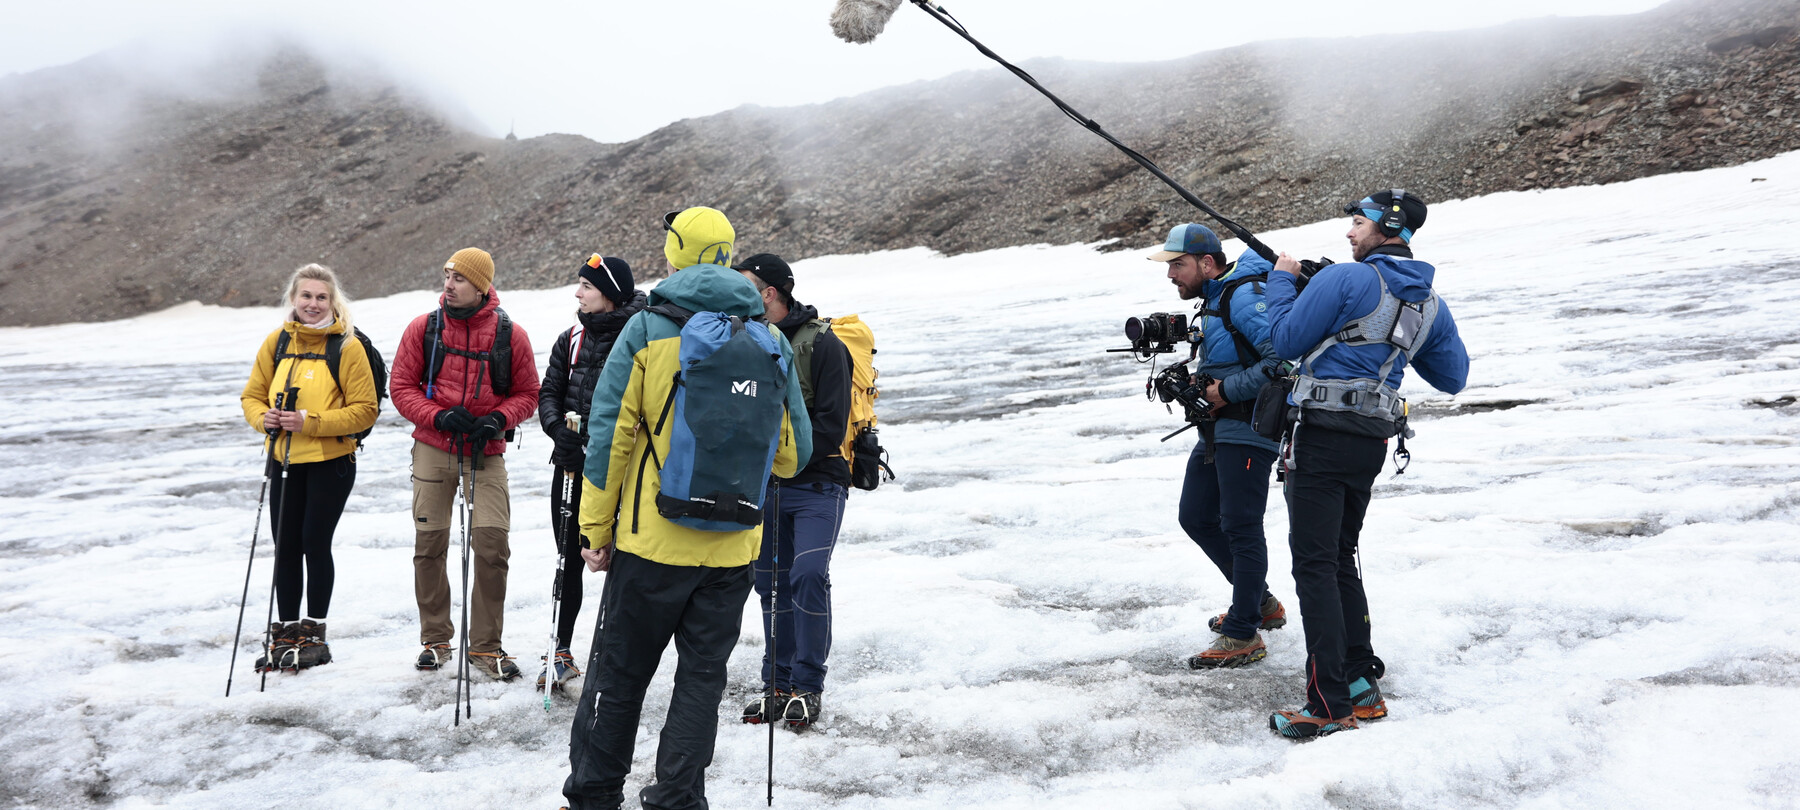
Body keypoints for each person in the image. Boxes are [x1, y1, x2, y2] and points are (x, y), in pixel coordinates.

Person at [561, 208, 811, 810]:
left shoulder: (647, 329)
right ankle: (676, 799)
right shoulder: (770, 339)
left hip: (651, 542)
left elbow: (609, 438)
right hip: (732, 547)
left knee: (619, 676)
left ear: (675, 254)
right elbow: (792, 456)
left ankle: (594, 795)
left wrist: (594, 529)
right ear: (727, 255)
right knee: (701, 682)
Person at [1264, 189, 1469, 739]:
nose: (1350, 232)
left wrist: (1284, 281)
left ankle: (1328, 706)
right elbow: (1452, 377)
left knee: (1314, 567)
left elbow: (1283, 340)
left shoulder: (1344, 279)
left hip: (1319, 438)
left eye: (1358, 221)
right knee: (1339, 559)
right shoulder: (1429, 303)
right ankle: (1361, 685)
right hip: (1370, 443)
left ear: (1387, 226)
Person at [389, 247, 540, 681]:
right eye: (447, 276)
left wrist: (498, 419)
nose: (448, 285)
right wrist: (437, 416)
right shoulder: (424, 328)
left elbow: (528, 393)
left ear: (481, 285)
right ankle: (435, 640)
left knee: (492, 547)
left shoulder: (511, 335)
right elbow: (401, 387)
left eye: (458, 278)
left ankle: (485, 647)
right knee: (429, 546)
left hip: (485, 452)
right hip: (434, 447)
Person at [1147, 224, 1289, 669]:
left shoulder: (1242, 297)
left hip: (1249, 427)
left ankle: (1243, 633)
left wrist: (1225, 391)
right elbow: (1236, 359)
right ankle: (1260, 603)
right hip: (1217, 428)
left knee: (1241, 526)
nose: (1171, 274)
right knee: (1196, 516)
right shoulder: (1214, 300)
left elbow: (1283, 360)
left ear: (1207, 263)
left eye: (1178, 264)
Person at [732, 253, 853, 728]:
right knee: (769, 582)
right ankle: (777, 685)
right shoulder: (744, 339)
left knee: (807, 574)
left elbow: (832, 425)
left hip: (819, 483)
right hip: (766, 486)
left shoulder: (824, 345)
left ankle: (808, 686)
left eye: (745, 283)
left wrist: (780, 455)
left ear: (769, 293)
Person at [238, 263, 378, 671]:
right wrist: (263, 418)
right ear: (293, 298)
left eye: (321, 297)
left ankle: (314, 636)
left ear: (332, 302)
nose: (313, 304)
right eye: (306, 296)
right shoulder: (278, 341)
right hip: (283, 459)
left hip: (330, 463)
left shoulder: (346, 346)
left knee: (314, 544)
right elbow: (252, 396)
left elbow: (365, 410)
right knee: (285, 546)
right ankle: (286, 635)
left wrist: (307, 421)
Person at [535, 253, 646, 692]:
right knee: (569, 558)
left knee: (623, 563)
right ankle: (559, 651)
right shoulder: (572, 338)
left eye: (587, 286)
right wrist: (557, 431)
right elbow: (550, 392)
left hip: (624, 471)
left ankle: (615, 656)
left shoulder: (641, 335)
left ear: (610, 294)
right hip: (570, 466)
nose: (577, 293)